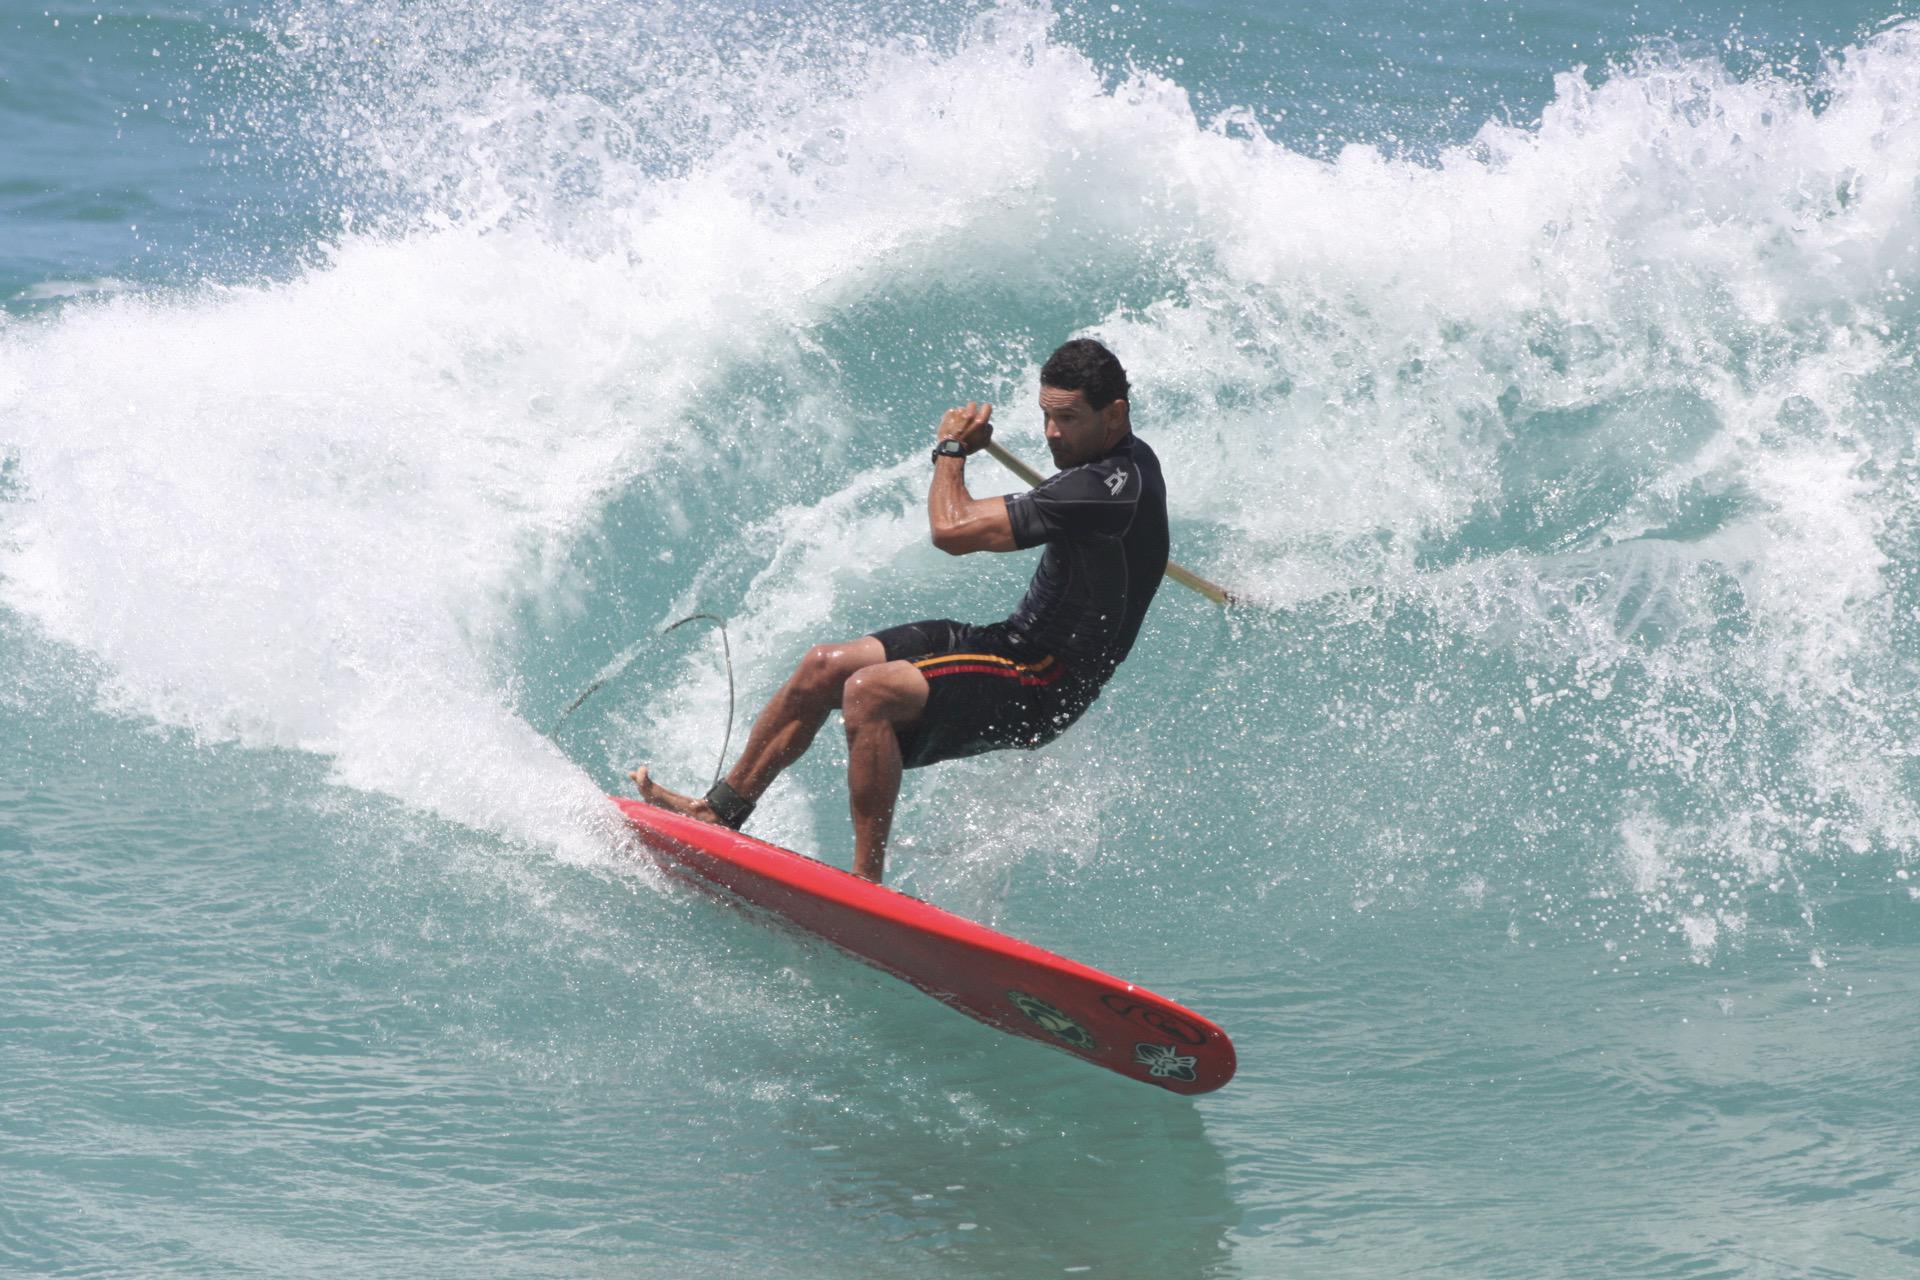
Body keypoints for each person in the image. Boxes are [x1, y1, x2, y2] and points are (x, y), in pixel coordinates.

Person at [632, 338, 1169, 882]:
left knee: (870, 693)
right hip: (1009, 644)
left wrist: (952, 451)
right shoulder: (1103, 468)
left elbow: (952, 531)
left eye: (1068, 419)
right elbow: (984, 514)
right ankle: (719, 811)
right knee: (825, 666)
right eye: (1046, 416)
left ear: (1115, 413)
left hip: (1046, 684)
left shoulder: (1109, 486)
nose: (1052, 433)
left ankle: (866, 886)